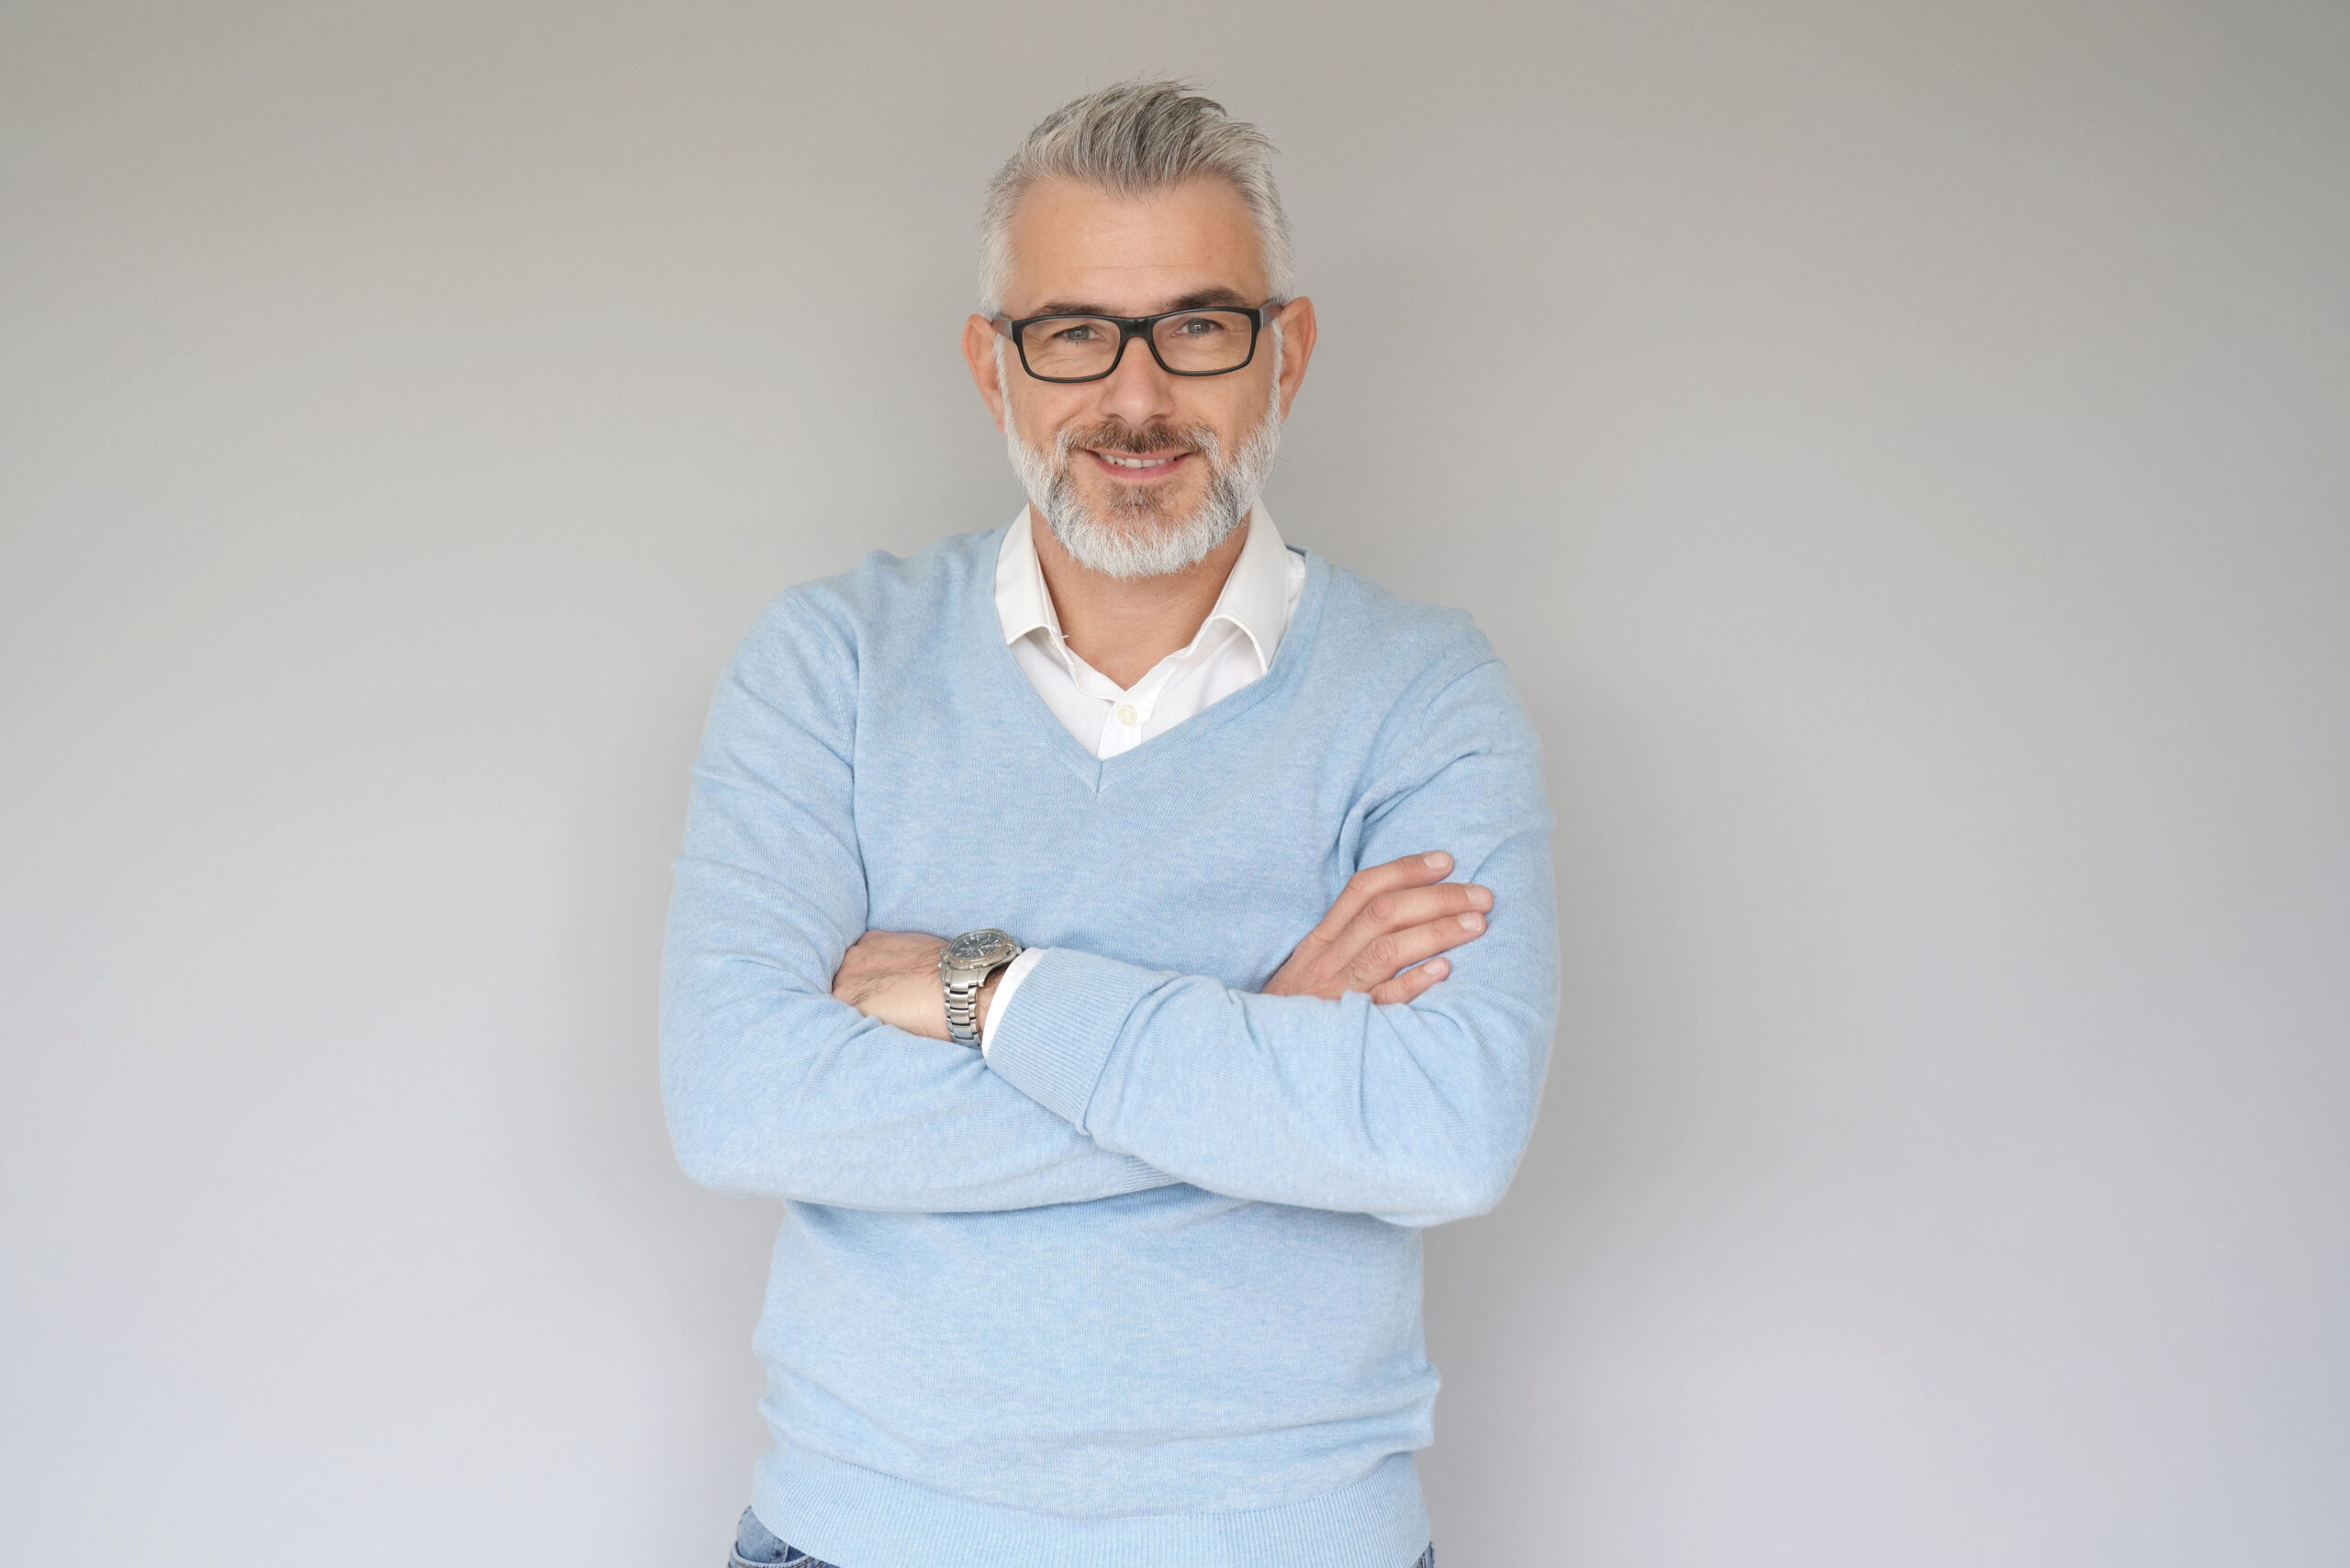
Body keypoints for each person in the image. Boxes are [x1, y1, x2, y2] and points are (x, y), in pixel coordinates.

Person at [661, 79, 1558, 1568]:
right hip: (861, 1538)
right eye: (1074, 332)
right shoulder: (835, 663)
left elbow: (1443, 1135)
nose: (1135, 399)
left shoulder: (1422, 692)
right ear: (992, 366)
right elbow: (742, 1101)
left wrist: (997, 992)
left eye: (1197, 328)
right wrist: (1264, 1036)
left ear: (1286, 354)